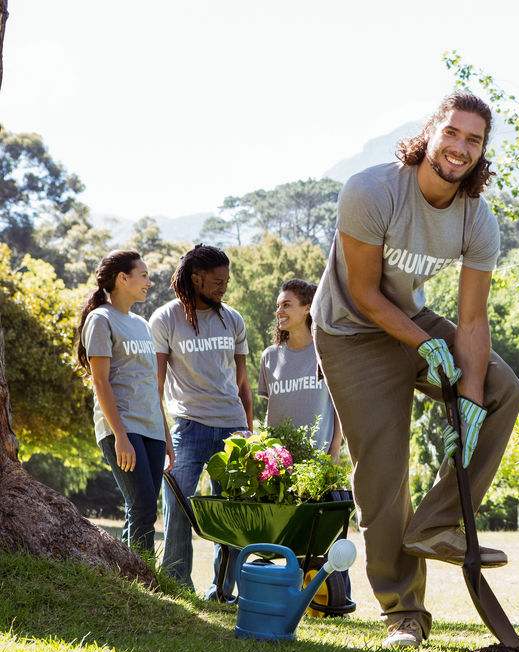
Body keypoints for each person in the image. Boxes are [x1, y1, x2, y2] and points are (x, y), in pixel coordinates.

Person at [312, 92, 519, 650]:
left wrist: (471, 401)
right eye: (452, 133)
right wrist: (426, 345)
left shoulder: (477, 221)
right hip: (350, 331)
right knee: (383, 471)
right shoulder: (373, 190)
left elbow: (473, 321)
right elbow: (361, 292)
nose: (460, 147)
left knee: (503, 388)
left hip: (409, 318)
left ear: (481, 153)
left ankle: (436, 524)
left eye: (473, 140)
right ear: (430, 132)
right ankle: (403, 612)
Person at [151, 244, 253, 597]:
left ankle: (223, 590)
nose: (224, 285)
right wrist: (161, 433)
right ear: (196, 278)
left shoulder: (233, 319)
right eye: (217, 280)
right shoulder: (165, 319)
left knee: (231, 511)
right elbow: (157, 384)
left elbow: (243, 383)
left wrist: (249, 431)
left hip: (232, 427)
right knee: (178, 504)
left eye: (227, 279)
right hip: (187, 426)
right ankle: (176, 584)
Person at [76, 250, 173, 556]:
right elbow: (100, 382)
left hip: (152, 428)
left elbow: (151, 384)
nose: (149, 281)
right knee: (142, 503)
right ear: (122, 278)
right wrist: (119, 435)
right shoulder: (100, 319)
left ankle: (131, 575)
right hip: (123, 426)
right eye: (143, 275)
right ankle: (144, 581)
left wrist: (166, 435)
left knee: (144, 505)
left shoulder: (142, 324)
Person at [258, 279, 342, 457]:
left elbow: (340, 408)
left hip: (316, 461)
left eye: (286, 305)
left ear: (307, 308)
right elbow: (272, 409)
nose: (279, 311)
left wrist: (334, 451)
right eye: (278, 306)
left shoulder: (326, 352)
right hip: (277, 461)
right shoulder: (269, 356)